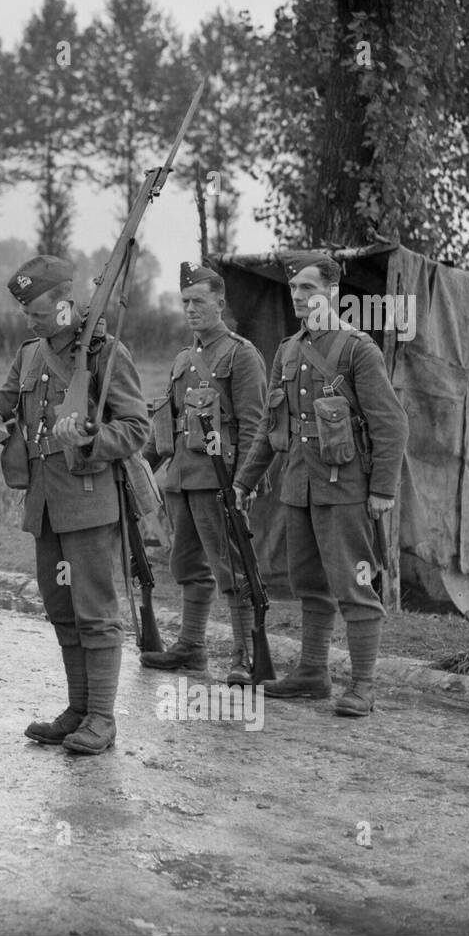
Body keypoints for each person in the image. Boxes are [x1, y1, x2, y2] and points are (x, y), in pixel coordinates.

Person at [0, 255, 150, 754]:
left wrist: (93, 435)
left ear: (64, 304)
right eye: (25, 312)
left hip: (89, 501)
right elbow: (0, 408)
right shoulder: (30, 354)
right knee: (62, 609)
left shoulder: (105, 353)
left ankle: (102, 717)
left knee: (95, 611)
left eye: (36, 311)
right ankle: (77, 709)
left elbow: (137, 428)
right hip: (46, 506)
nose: (28, 320)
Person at [232, 252, 408, 716]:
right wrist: (244, 482)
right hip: (299, 488)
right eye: (294, 289)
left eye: (308, 289)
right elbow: (274, 430)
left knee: (353, 585)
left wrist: (383, 489)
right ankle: (313, 673)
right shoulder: (287, 351)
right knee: (309, 582)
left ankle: (364, 686)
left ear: (331, 292)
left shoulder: (357, 350)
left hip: (345, 488)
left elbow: (391, 424)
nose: (299, 297)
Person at [140, 261, 267, 684]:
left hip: (219, 481)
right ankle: (191, 647)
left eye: (198, 301)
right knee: (186, 565)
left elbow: (254, 425)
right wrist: (140, 466)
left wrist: (243, 483)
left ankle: (243, 656)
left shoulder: (241, 354)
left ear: (220, 302)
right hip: (182, 479)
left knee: (230, 568)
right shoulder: (183, 359)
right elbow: (168, 424)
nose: (190, 309)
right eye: (185, 302)